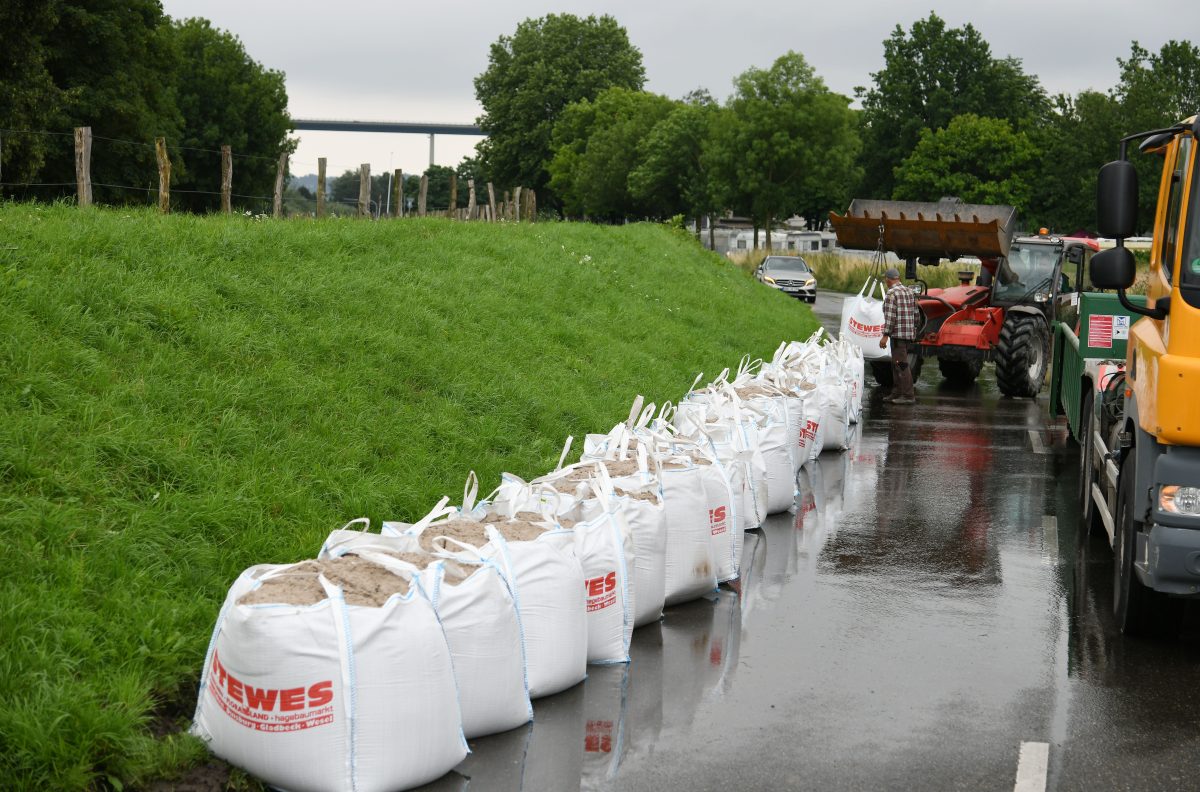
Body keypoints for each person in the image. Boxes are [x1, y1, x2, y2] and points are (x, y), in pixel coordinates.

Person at [878, 267, 917, 404]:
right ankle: (896, 393)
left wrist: (885, 335)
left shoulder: (891, 294)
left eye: (885, 279)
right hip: (908, 335)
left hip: (897, 335)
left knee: (901, 365)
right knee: (896, 363)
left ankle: (907, 396)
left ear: (888, 280)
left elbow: (890, 317)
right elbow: (916, 315)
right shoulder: (910, 292)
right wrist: (913, 329)